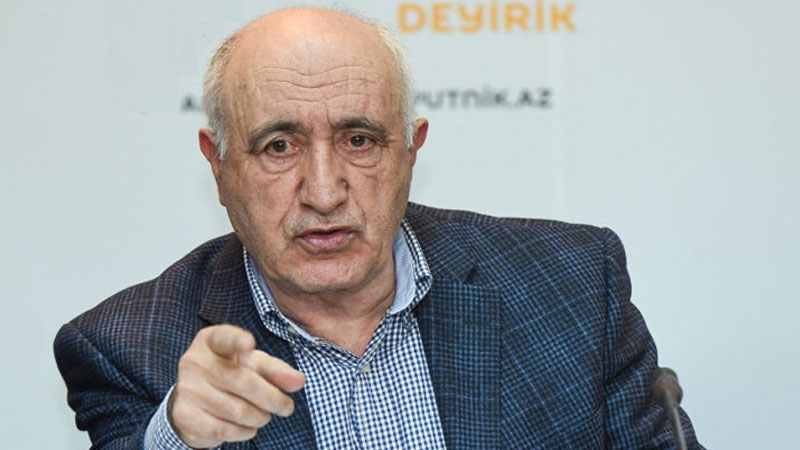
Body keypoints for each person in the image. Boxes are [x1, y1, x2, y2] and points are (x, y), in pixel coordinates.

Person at [55, 7, 702, 450]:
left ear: (411, 150)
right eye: (279, 146)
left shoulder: (572, 282)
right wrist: (177, 436)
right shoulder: (128, 349)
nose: (324, 192)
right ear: (218, 165)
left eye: (359, 140)